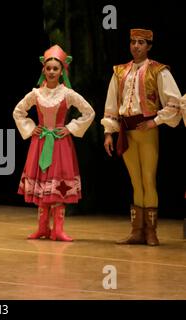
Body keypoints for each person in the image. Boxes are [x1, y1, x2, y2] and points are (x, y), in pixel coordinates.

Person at [101, 29, 182, 246]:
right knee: (135, 182)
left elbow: (175, 102)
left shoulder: (158, 70)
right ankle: (137, 231)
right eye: (133, 42)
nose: (136, 46)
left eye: (141, 42)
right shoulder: (119, 71)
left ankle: (151, 232)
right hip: (126, 132)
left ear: (149, 46)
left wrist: (154, 121)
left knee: (148, 179)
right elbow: (111, 104)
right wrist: (109, 132)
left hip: (146, 131)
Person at [13, 44, 95, 242]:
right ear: (44, 70)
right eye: (48, 68)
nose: (51, 72)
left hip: (60, 144)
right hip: (40, 143)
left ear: (62, 71)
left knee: (58, 183)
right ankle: (42, 227)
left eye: (55, 69)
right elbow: (18, 111)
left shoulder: (67, 94)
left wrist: (70, 128)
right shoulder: (36, 94)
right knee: (42, 183)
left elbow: (89, 111)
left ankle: (58, 228)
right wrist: (31, 128)